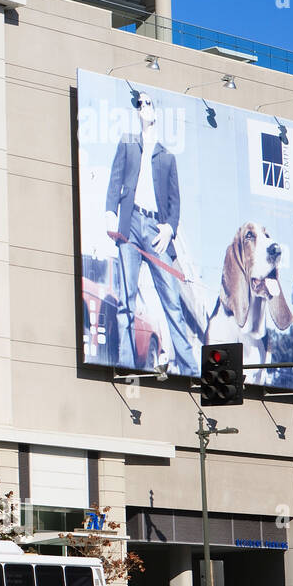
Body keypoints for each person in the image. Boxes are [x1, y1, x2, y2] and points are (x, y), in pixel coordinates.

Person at [104, 89, 196, 375]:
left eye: (148, 102)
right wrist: (110, 212)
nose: (143, 107)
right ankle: (127, 363)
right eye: (139, 104)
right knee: (126, 297)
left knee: (172, 299)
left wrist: (169, 228)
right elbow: (115, 178)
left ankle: (191, 367)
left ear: (157, 110)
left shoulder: (167, 157)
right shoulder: (128, 144)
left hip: (157, 230)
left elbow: (174, 201)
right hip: (130, 224)